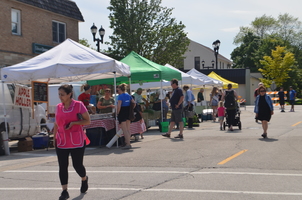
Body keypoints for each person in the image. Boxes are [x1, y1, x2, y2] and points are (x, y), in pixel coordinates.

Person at [53, 84, 91, 200]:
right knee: (62, 166)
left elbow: (87, 121)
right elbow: (56, 123)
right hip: (62, 140)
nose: (60, 97)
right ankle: (64, 191)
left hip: (76, 139)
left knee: (77, 165)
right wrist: (54, 138)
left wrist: (74, 123)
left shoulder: (78, 105)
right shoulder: (58, 107)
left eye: (62, 95)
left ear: (69, 94)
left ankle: (84, 179)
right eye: (59, 94)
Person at [117, 83, 135, 149]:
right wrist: (131, 109)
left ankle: (128, 143)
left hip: (122, 112)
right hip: (128, 111)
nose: (117, 92)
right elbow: (134, 103)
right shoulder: (128, 95)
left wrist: (117, 113)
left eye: (118, 90)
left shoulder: (120, 96)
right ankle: (127, 142)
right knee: (128, 129)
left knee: (124, 129)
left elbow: (119, 106)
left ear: (121, 90)